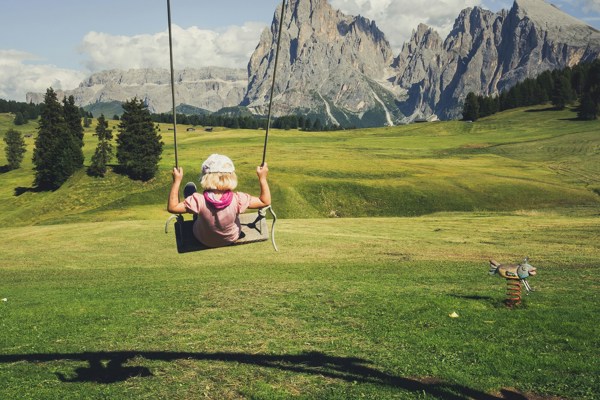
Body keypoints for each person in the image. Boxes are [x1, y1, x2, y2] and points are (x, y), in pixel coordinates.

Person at [167, 154, 271, 248]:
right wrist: (262, 178)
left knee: (198, 208)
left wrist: (176, 181)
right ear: (232, 176)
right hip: (231, 238)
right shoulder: (238, 199)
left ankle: (193, 208)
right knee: (232, 211)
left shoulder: (199, 200)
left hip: (203, 239)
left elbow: (172, 207)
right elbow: (265, 201)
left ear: (205, 177)